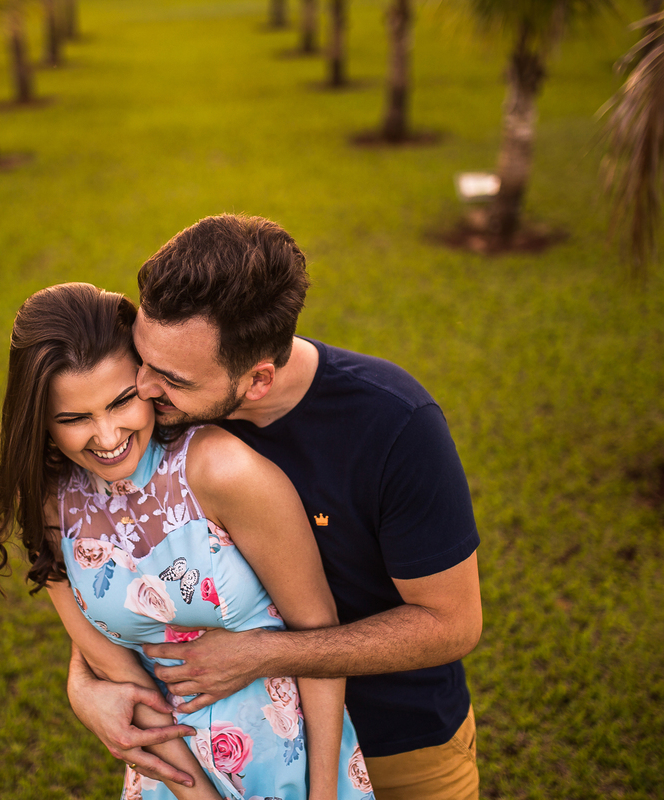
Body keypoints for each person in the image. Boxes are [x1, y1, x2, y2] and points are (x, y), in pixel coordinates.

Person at [65, 215, 483, 800]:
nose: (144, 388)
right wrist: (82, 683)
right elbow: (119, 566)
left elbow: (452, 624)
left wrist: (263, 655)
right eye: (143, 358)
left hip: (399, 743)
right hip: (242, 751)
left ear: (258, 380)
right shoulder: (158, 422)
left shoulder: (394, 426)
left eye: (171, 378)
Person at [0, 282, 376, 800]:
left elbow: (317, 634)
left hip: (292, 761)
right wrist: (195, 793)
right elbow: (115, 667)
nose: (106, 436)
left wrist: (324, 792)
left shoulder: (221, 470)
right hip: (173, 776)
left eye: (122, 401)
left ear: (145, 380)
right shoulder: (49, 504)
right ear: (42, 425)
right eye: (74, 419)